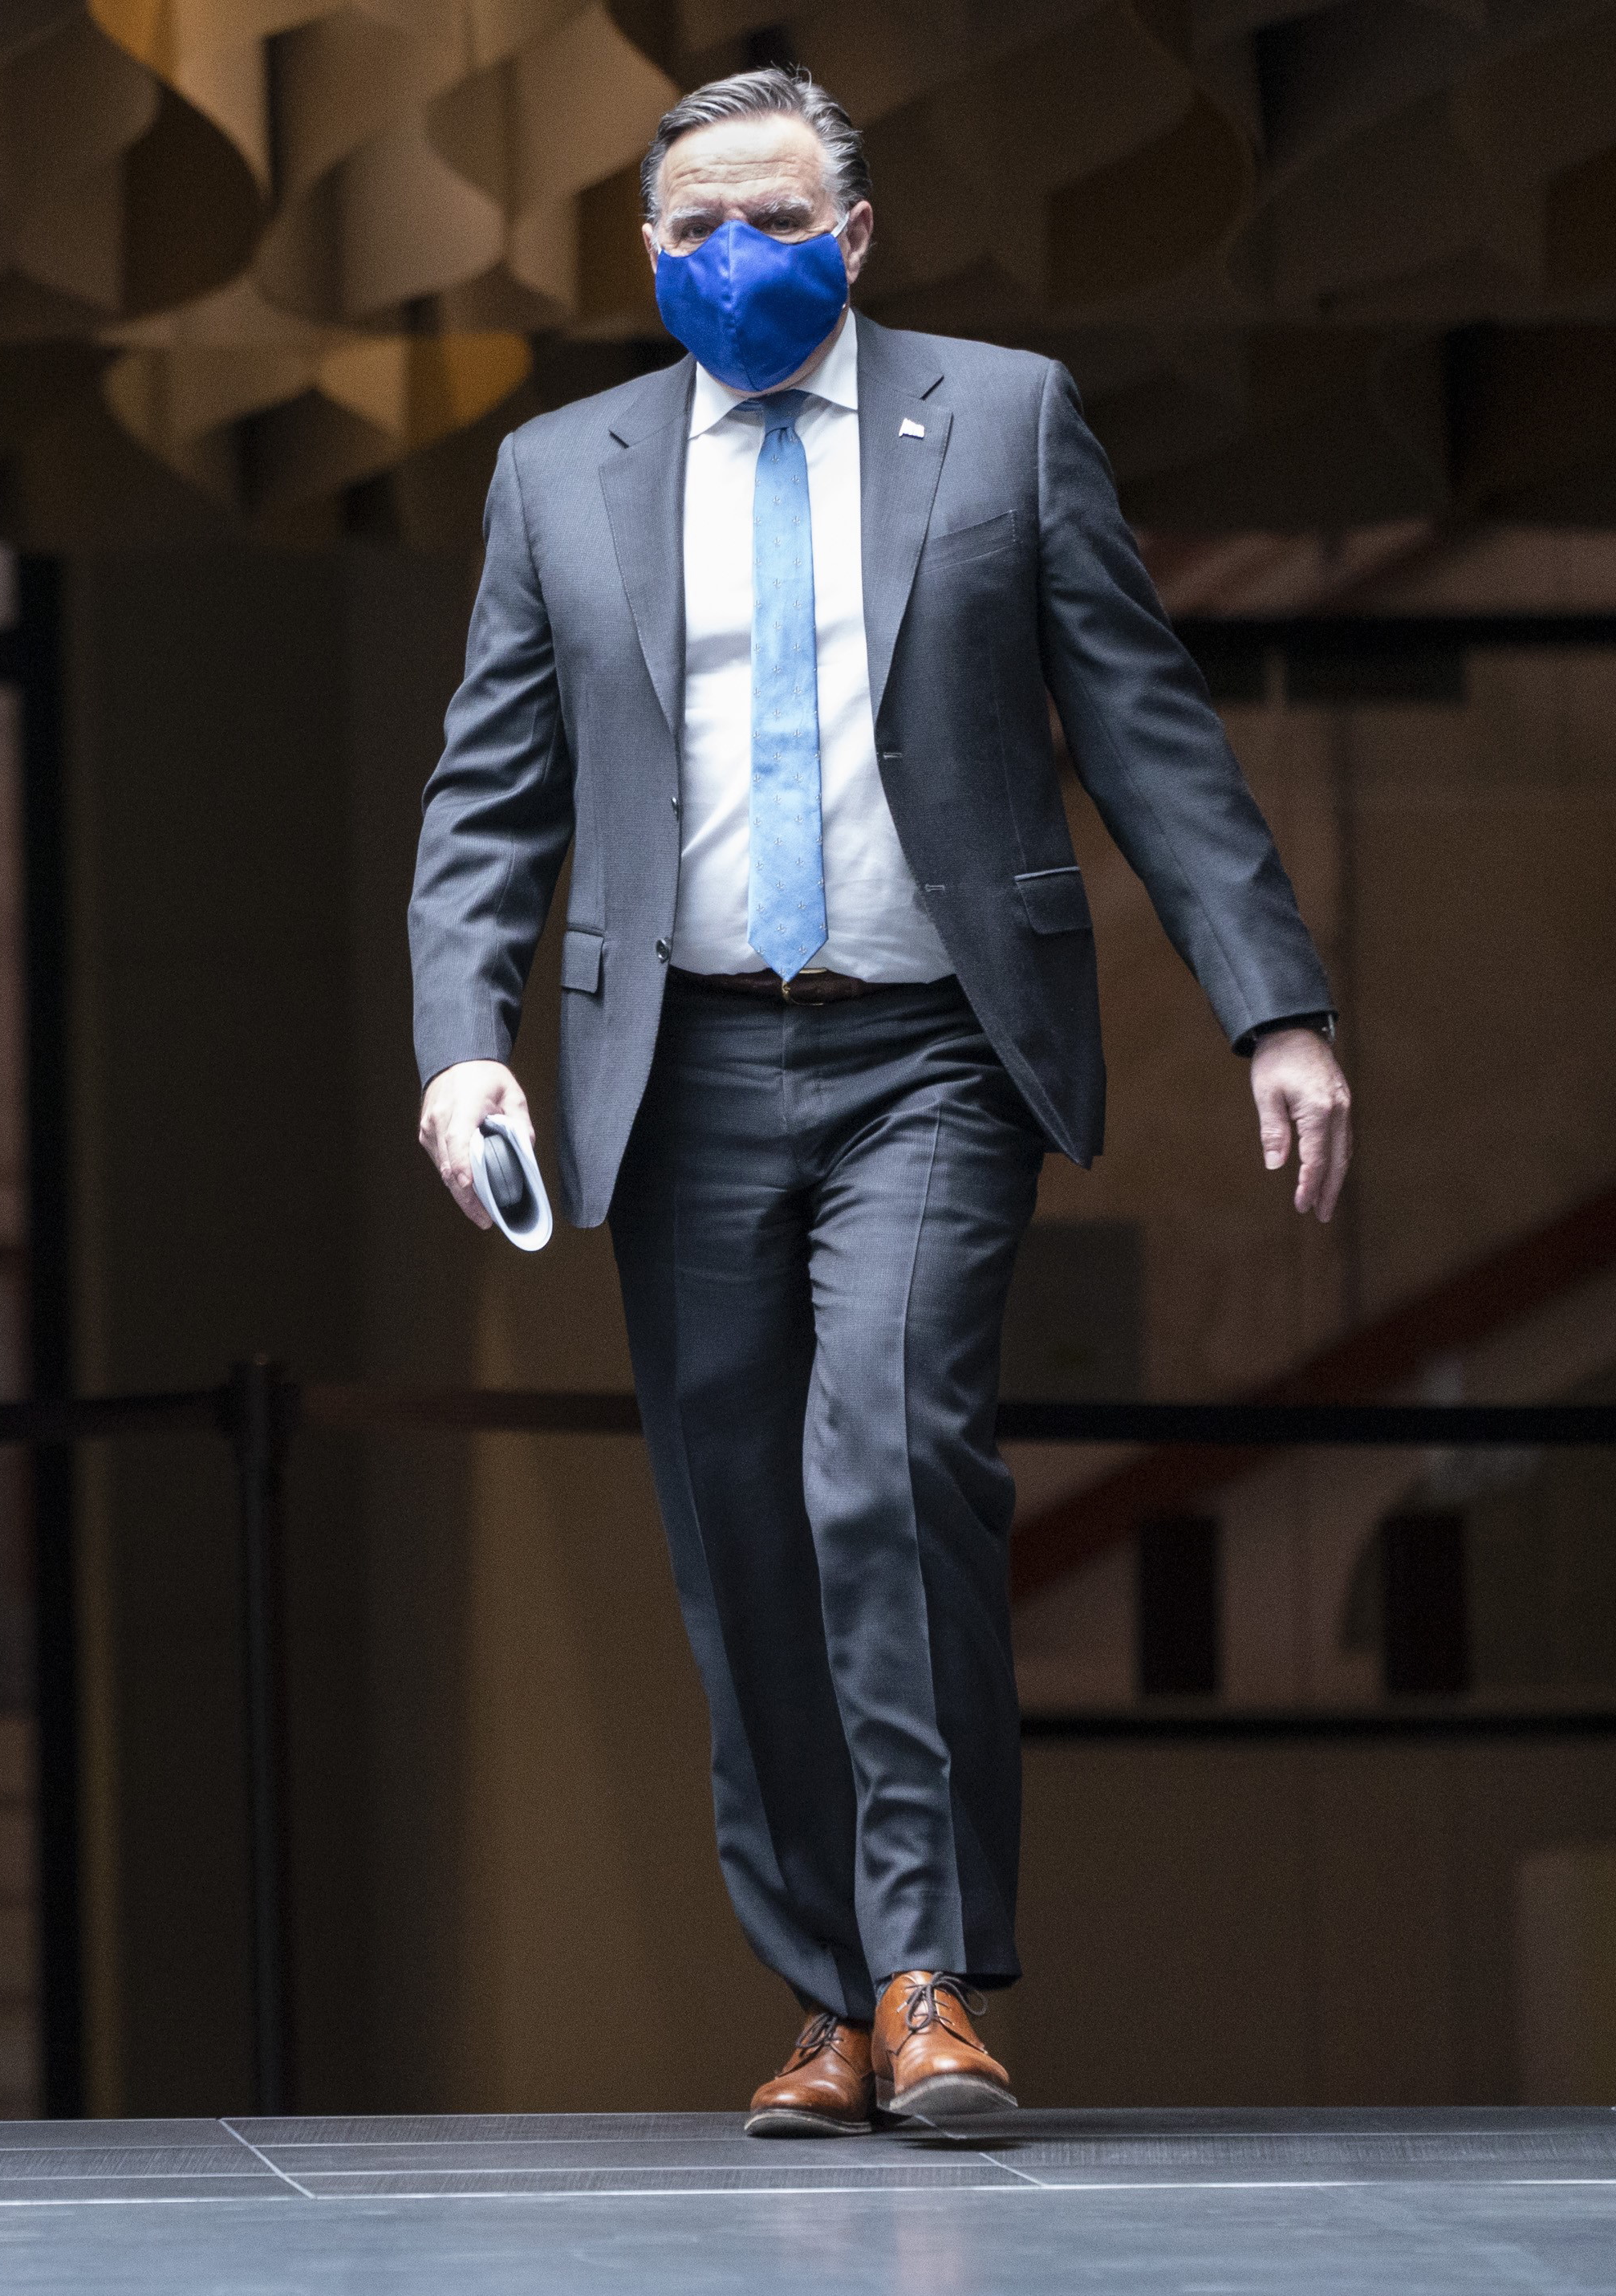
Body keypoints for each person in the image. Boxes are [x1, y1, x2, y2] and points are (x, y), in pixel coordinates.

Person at [408, 69, 1351, 2137]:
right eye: (688, 229)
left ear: (851, 234)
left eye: (768, 215)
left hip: (932, 1047)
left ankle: (931, 1978)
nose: (727, 255)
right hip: (680, 1065)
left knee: (890, 1461)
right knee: (740, 1528)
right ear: (646, 254)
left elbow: (1146, 727)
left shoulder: (1000, 419)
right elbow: (492, 789)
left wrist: (1272, 1010)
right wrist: (462, 1040)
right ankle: (823, 1998)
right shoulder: (558, 472)